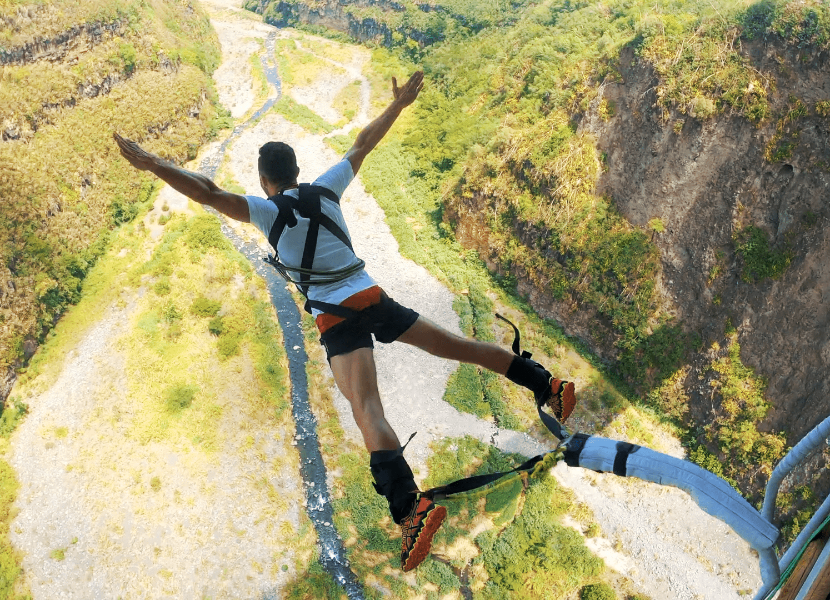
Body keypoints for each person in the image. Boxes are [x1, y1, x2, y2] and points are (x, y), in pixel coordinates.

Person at [114, 70, 577, 571]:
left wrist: (153, 163)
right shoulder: (326, 187)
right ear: (297, 170)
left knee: (366, 408)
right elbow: (362, 143)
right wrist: (398, 105)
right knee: (456, 345)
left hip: (337, 318)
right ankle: (545, 383)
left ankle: (411, 509)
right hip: (371, 294)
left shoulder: (266, 212)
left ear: (265, 182)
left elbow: (206, 191)